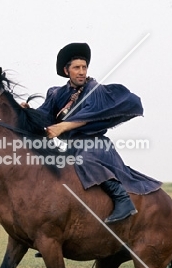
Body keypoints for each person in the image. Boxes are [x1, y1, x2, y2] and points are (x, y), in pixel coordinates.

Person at [23, 42, 161, 224]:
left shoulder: (93, 89)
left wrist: (63, 127)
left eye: (84, 67)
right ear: (67, 71)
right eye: (76, 68)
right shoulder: (56, 93)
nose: (81, 71)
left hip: (95, 145)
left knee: (84, 160)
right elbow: (44, 115)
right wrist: (26, 111)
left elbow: (90, 114)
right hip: (72, 146)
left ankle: (122, 199)